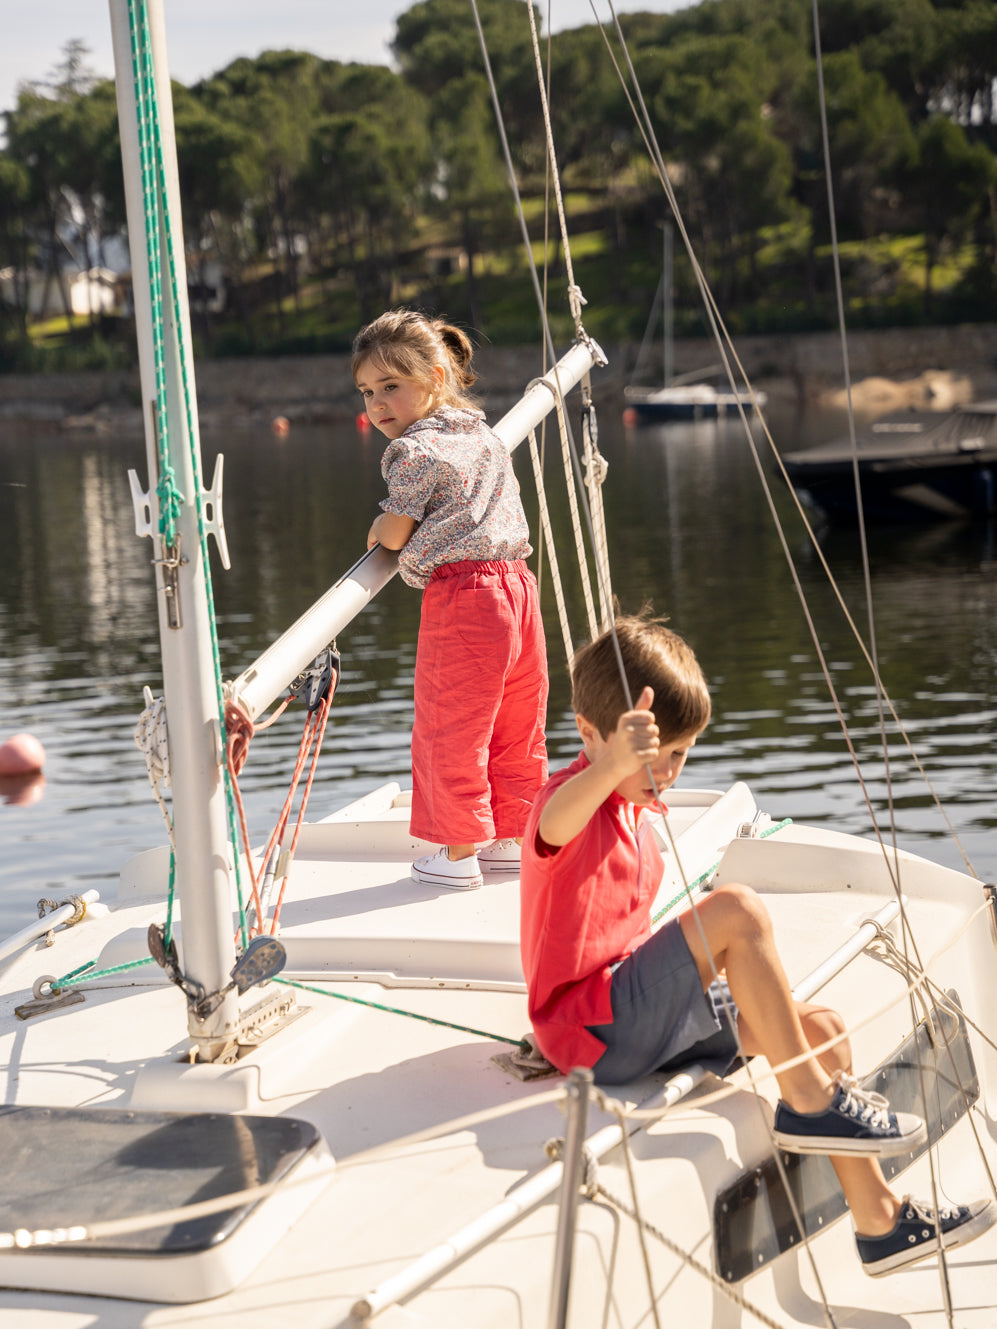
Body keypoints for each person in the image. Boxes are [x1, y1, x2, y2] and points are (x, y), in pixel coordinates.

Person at [519, 613, 995, 1277]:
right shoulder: (565, 808)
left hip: (635, 1014)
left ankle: (879, 1221)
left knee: (821, 1032)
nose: (666, 772)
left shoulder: (636, 814)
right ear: (589, 734)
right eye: (650, 757)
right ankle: (812, 1105)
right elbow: (553, 821)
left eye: (679, 754)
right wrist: (615, 764)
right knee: (736, 909)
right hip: (588, 1028)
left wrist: (627, 765)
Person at [353, 308, 548, 890]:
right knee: (517, 722)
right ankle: (512, 839)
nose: (378, 404)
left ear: (436, 378)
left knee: (451, 725)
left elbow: (395, 532)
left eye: (391, 386)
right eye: (367, 392)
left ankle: (459, 854)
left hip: (466, 595)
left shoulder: (414, 450)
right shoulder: (482, 435)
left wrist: (378, 529)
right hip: (518, 587)